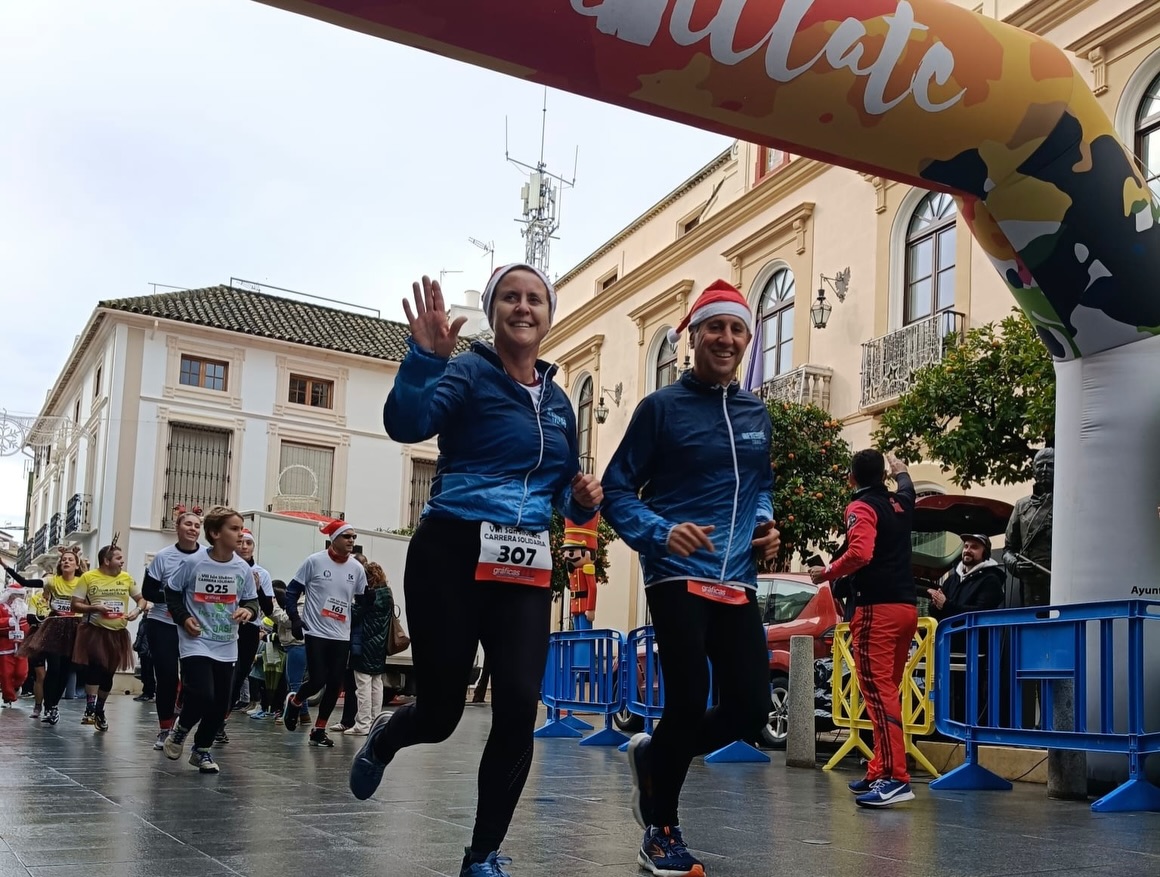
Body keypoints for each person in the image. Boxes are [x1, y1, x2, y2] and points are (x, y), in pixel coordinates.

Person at [348, 268, 602, 877]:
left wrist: (581, 503)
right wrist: (424, 361)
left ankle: (482, 855)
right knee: (441, 714)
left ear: (549, 315)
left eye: (535, 298)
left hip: (524, 560)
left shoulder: (559, 401)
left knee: (518, 707)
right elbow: (406, 424)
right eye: (510, 297)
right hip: (453, 549)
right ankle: (387, 735)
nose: (524, 307)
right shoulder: (466, 370)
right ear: (493, 312)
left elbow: (556, 492)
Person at [601, 279, 778, 877]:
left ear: (747, 340)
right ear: (694, 337)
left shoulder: (756, 414)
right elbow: (617, 490)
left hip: (737, 577)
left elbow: (760, 488)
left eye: (737, 329)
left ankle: (654, 757)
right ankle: (662, 829)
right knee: (686, 699)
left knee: (749, 709)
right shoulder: (661, 408)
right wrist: (660, 532)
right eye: (715, 328)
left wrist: (765, 525)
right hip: (677, 573)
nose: (726, 339)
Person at [809, 449, 918, 808]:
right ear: (884, 476)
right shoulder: (900, 503)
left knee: (878, 692)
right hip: (906, 609)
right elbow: (908, 488)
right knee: (888, 691)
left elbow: (860, 554)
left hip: (876, 610)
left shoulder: (861, 508)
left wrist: (825, 573)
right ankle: (881, 768)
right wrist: (901, 471)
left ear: (851, 478)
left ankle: (896, 778)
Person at [163, 506, 259, 773]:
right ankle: (181, 729)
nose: (240, 535)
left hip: (227, 642)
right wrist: (184, 618)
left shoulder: (242, 568)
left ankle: (201, 749)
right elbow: (171, 592)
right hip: (196, 640)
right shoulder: (193, 562)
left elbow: (251, 601)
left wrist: (248, 611)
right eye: (234, 529)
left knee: (221, 702)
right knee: (202, 693)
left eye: (241, 529)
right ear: (215, 533)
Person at [281, 518, 369, 746]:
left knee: (335, 683)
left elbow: (361, 601)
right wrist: (295, 619)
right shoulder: (314, 562)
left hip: (341, 634)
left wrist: (366, 603)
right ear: (334, 539)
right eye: (347, 536)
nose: (351, 540)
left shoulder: (357, 568)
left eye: (353, 537)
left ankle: (319, 730)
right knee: (318, 679)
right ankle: (296, 701)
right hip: (316, 631)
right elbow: (291, 592)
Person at [140, 506, 205, 750]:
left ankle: (180, 708)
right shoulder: (163, 557)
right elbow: (148, 592)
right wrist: (174, 599)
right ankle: (165, 728)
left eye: (197, 525)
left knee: (193, 679)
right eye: (188, 524)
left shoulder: (207, 555)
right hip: (163, 623)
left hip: (194, 626)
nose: (193, 528)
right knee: (166, 677)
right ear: (177, 527)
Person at [71, 543, 149, 732]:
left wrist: (137, 611)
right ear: (106, 561)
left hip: (117, 633)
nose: (122, 561)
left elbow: (141, 599)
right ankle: (90, 707)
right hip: (95, 631)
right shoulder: (88, 577)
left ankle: (99, 709)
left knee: (108, 673)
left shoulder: (126, 578)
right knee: (96, 667)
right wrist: (95, 608)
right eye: (118, 558)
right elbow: (75, 604)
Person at [928, 534, 1005, 724]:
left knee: (970, 696)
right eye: (966, 546)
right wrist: (935, 604)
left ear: (985, 553)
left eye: (974, 547)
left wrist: (946, 605)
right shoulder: (952, 579)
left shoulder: (991, 580)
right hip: (947, 649)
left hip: (975, 651)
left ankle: (968, 731)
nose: (968, 550)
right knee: (946, 694)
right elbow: (939, 611)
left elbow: (980, 613)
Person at [9, 547, 84, 725]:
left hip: (75, 629)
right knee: (54, 668)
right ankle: (48, 706)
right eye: (63, 559)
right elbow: (24, 581)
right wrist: (5, 565)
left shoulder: (83, 582)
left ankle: (54, 706)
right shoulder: (52, 581)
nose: (66, 561)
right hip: (55, 628)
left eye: (70, 560)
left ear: (77, 565)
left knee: (65, 670)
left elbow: (93, 590)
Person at [221, 528, 274, 743]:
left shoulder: (262, 573)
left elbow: (268, 609)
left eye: (248, 543)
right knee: (224, 675)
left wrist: (258, 589)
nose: (244, 547)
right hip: (225, 626)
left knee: (239, 676)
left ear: (254, 547)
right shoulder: (225, 567)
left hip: (249, 628)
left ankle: (221, 722)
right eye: (240, 542)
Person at [348, 561, 394, 736]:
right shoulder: (387, 594)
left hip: (364, 643)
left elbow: (354, 615)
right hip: (380, 645)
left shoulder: (368, 596)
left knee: (363, 686)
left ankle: (363, 724)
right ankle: (376, 721)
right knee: (377, 684)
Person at [0, 581, 31, 707]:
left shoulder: (25, 609)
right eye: (16, 595)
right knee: (6, 674)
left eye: (21, 596)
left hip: (22, 646)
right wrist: (8, 622)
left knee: (22, 673)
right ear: (10, 595)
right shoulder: (1, 608)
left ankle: (16, 687)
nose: (19, 599)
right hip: (6, 646)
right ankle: (8, 697)